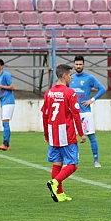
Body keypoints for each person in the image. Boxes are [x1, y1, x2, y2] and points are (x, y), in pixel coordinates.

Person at [42, 64, 86, 202]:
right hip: (66, 133)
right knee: (73, 164)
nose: (72, 77)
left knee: (57, 163)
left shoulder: (48, 93)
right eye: (70, 75)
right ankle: (55, 182)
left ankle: (58, 193)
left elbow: (45, 114)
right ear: (64, 75)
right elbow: (76, 114)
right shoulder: (70, 92)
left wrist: (46, 134)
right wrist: (81, 133)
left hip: (53, 132)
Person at [69, 56, 107, 167]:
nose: (78, 66)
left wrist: (92, 100)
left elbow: (102, 89)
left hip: (85, 112)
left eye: (80, 64)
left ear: (84, 65)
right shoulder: (70, 78)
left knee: (91, 136)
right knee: (71, 137)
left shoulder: (89, 78)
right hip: (72, 113)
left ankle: (96, 160)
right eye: (76, 64)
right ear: (74, 65)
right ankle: (74, 159)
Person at [0, 58, 16, 151]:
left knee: (5, 123)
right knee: (4, 122)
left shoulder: (6, 75)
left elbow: (13, 87)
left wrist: (0, 86)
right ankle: (5, 143)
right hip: (3, 102)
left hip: (9, 102)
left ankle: (6, 144)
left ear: (2, 66)